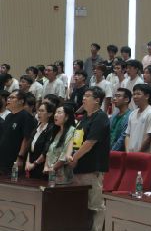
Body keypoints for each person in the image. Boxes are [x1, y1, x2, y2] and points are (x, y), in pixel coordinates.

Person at [69, 86, 110, 231]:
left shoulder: (101, 117)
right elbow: (74, 138)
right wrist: (70, 155)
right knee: (81, 205)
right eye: (83, 96)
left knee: (95, 206)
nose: (83, 98)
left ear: (97, 100)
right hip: (78, 167)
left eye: (87, 96)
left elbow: (90, 143)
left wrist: (74, 158)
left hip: (92, 168)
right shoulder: (84, 118)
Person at [0, 91, 37, 175]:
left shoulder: (26, 116)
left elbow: (26, 139)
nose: (8, 99)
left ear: (21, 101)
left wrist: (20, 157)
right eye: (8, 98)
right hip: (3, 158)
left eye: (12, 97)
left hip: (14, 160)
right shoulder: (8, 116)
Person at [44, 104, 76, 184]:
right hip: (51, 173)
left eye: (59, 112)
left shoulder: (72, 131)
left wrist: (52, 168)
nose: (55, 115)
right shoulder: (56, 131)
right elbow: (49, 151)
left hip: (63, 176)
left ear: (67, 116)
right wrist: (46, 166)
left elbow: (64, 155)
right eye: (55, 112)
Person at [24, 101, 55, 179]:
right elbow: (29, 148)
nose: (39, 113)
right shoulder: (37, 126)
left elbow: (46, 150)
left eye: (42, 111)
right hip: (30, 165)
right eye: (38, 110)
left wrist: (34, 164)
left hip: (41, 166)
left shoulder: (51, 128)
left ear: (49, 114)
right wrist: (27, 162)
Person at [125, 84, 151, 153]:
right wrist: (128, 152)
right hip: (130, 154)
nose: (135, 97)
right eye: (134, 94)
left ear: (147, 96)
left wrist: (138, 153)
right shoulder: (132, 113)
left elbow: (149, 137)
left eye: (138, 94)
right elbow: (127, 135)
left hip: (143, 155)